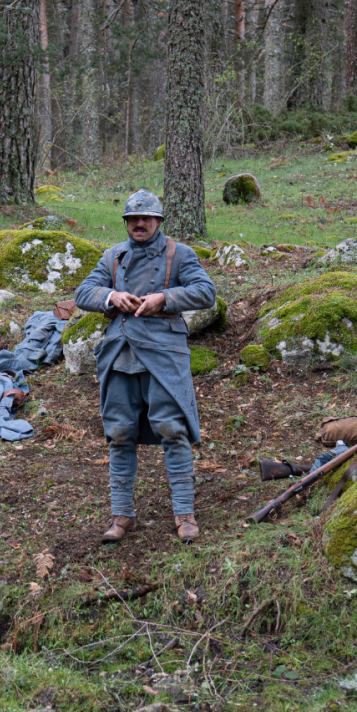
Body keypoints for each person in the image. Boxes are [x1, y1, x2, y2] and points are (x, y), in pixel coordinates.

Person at [72, 189, 216, 543]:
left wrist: (164, 298)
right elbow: (83, 292)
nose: (139, 224)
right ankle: (122, 516)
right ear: (126, 223)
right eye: (133, 219)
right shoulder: (113, 257)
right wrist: (110, 296)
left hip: (164, 355)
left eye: (146, 219)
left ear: (158, 221)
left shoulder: (180, 254)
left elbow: (205, 291)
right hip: (119, 355)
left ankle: (184, 515)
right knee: (119, 434)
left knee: (171, 429)